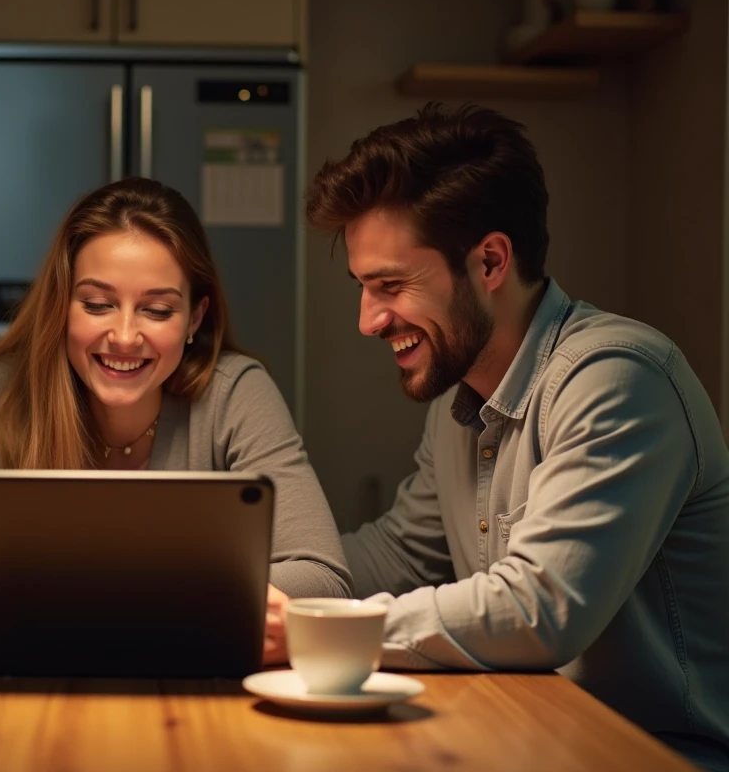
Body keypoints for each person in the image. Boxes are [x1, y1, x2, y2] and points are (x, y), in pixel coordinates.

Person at [305, 102, 729, 769]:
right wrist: (255, 584)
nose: (368, 320)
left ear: (491, 262)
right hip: (533, 740)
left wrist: (318, 634)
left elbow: (540, 609)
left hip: (656, 756)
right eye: (362, 287)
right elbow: (401, 557)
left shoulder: (616, 378)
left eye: (390, 285)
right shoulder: (463, 396)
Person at [0, 177, 351, 664]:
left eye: (156, 309)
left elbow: (322, 579)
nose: (125, 336)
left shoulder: (236, 390)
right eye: (96, 304)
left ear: (195, 318)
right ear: (61, 306)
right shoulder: (4, 390)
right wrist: (182, 604)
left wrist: (68, 602)